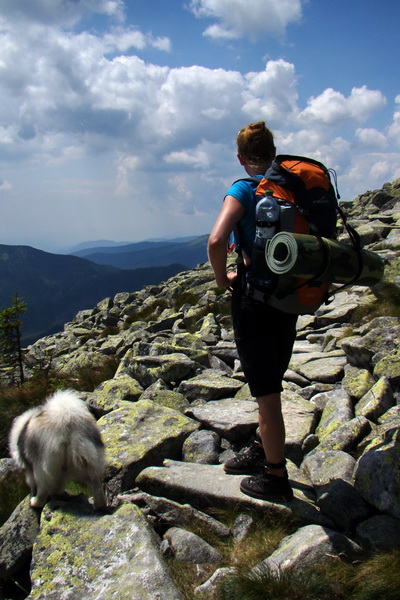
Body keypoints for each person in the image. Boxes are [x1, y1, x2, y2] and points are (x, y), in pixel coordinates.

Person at [207, 121, 298, 502]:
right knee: (271, 377)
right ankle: (262, 448)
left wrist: (222, 279)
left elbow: (216, 240)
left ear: (241, 157)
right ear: (273, 152)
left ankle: (275, 476)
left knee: (266, 393)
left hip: (254, 302)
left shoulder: (243, 189)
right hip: (289, 298)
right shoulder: (292, 186)